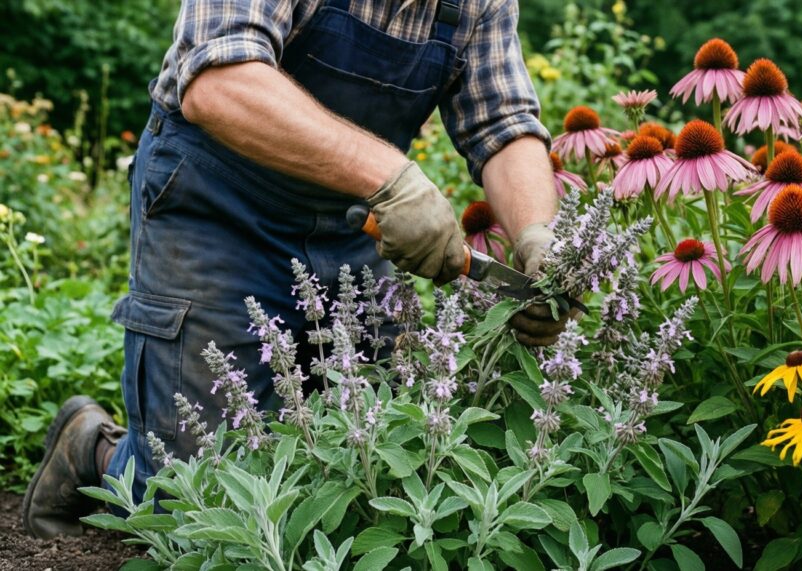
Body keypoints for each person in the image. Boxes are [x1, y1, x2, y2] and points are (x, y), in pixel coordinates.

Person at [23, 0, 567, 539]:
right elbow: (219, 81)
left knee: (375, 461)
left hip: (353, 223)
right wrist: (392, 178)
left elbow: (503, 122)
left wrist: (536, 232)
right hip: (218, 206)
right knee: (197, 505)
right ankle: (92, 448)